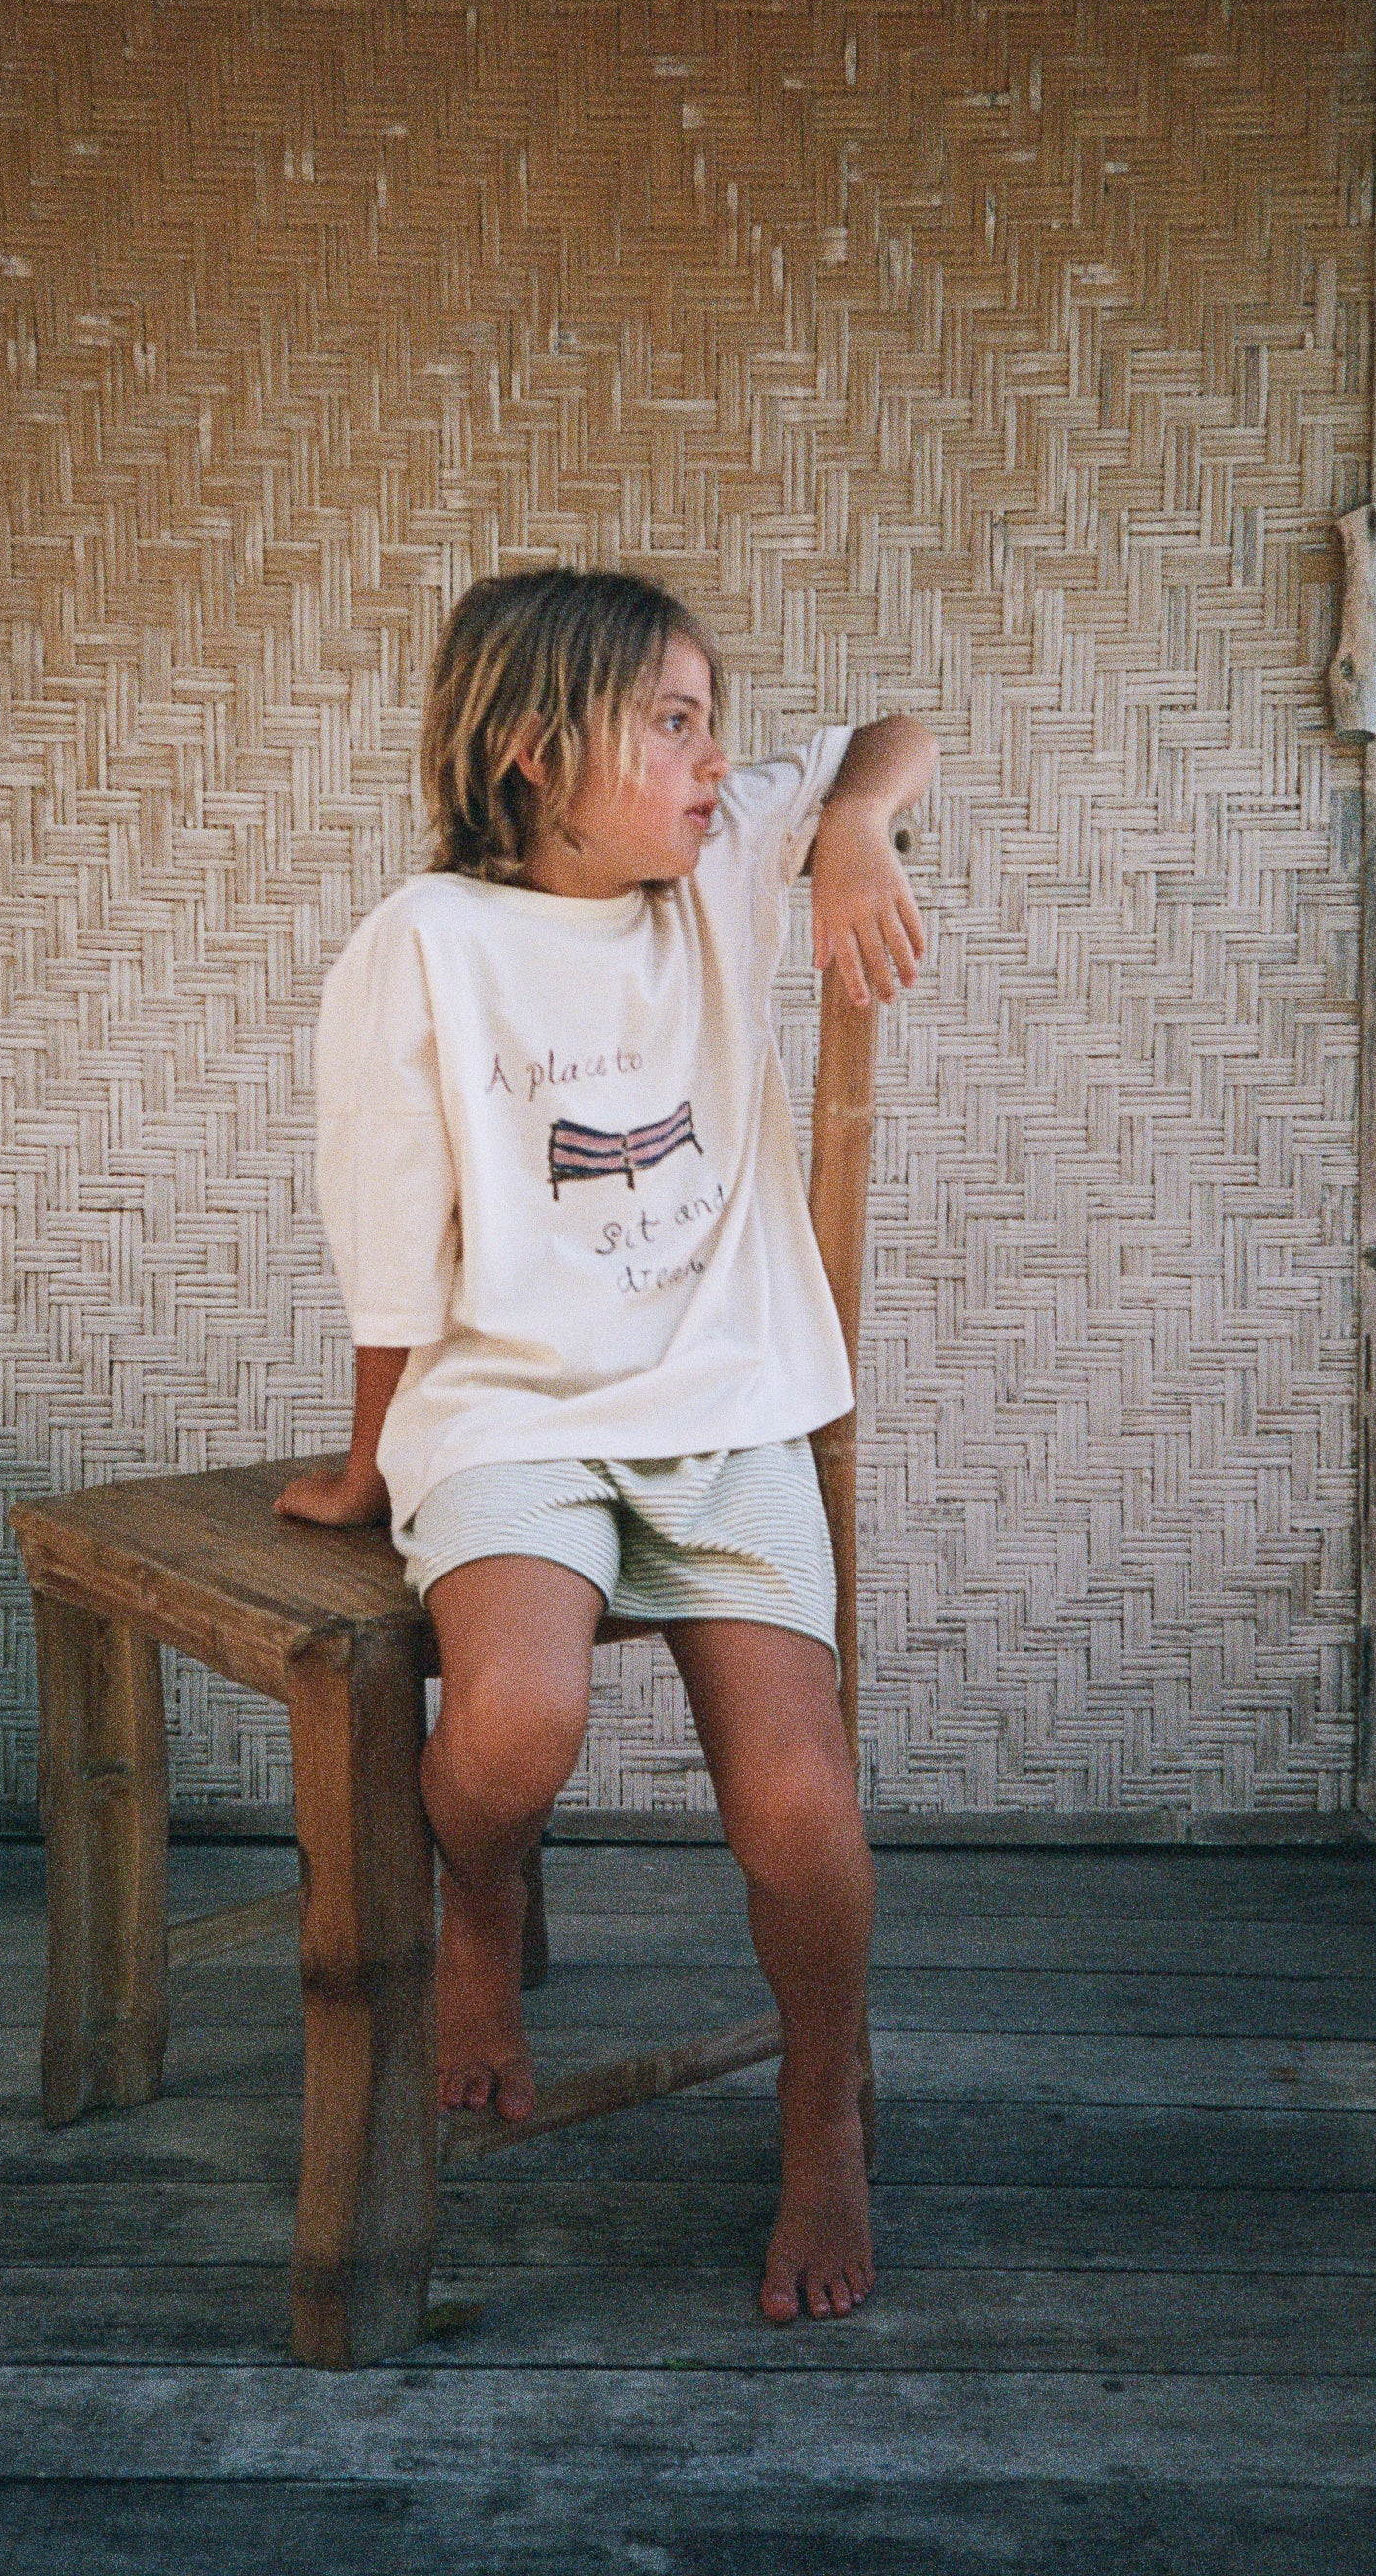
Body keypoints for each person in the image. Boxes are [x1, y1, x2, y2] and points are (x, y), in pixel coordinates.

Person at [278, 567, 935, 2322]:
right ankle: (482, 1900)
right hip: (510, 1411)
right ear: (528, 748)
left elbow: (895, 734)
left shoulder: (717, 867)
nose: (715, 759)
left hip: (725, 1406)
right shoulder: (426, 942)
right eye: (671, 723)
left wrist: (853, 828)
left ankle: (821, 2108)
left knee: (799, 1804)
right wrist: (367, 1462)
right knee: (514, 1725)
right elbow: (393, 1233)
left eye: (717, 724)